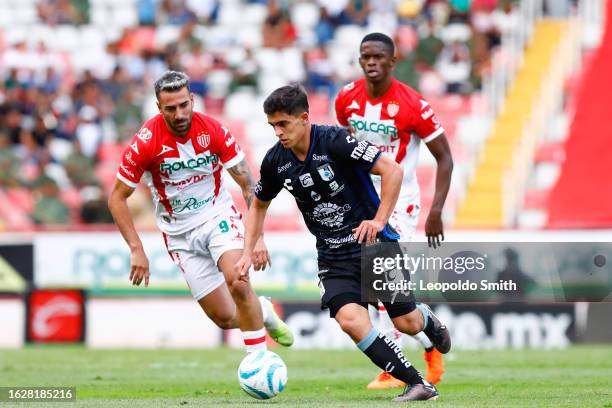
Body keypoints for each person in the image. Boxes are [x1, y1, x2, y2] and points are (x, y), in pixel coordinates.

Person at [236, 84, 450, 401]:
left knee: (406, 322)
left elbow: (392, 169)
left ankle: (426, 318)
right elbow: (258, 203)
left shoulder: (336, 141)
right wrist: (249, 248)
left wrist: (378, 220)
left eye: (283, 124)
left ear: (304, 118)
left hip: (375, 246)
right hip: (332, 256)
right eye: (273, 126)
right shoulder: (275, 161)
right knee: (350, 320)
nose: (278, 132)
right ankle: (417, 383)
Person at [108, 71, 293, 353]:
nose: (180, 113)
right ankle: (264, 310)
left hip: (217, 216)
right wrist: (136, 248)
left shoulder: (213, 130)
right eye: (170, 108)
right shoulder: (146, 142)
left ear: (192, 100)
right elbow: (117, 198)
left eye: (184, 105)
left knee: (239, 283)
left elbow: (248, 184)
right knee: (226, 317)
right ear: (159, 108)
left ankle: (258, 361)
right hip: (180, 234)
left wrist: (258, 238)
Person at [335, 32, 454, 388]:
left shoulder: (413, 105)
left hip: (401, 200)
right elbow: (343, 150)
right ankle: (429, 336)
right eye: (364, 56)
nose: (370, 62)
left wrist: (436, 210)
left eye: (377, 57)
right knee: (374, 286)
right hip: (361, 200)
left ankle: (393, 364)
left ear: (392, 61)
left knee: (380, 270)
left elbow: (445, 157)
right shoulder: (346, 99)